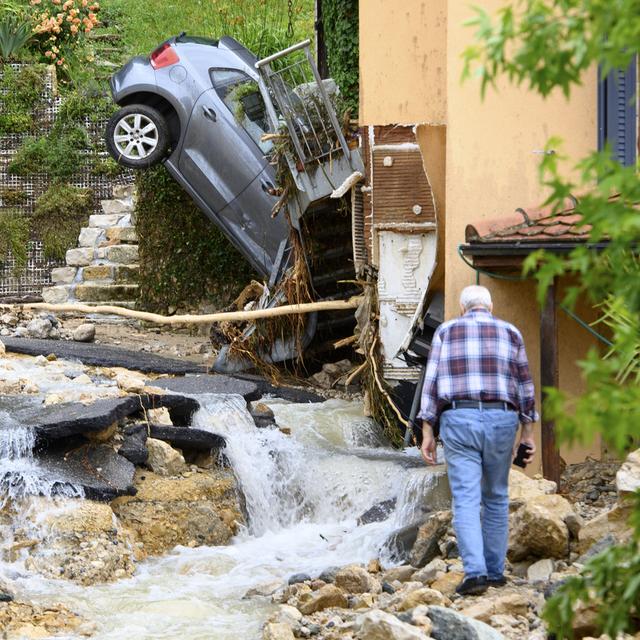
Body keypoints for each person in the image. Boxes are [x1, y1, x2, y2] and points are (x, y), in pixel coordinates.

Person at [417, 285, 537, 596]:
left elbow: (431, 383)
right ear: (490, 306)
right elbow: (525, 385)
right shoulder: (510, 332)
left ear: (462, 308)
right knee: (496, 496)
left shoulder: (446, 331)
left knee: (466, 499)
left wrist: (427, 430)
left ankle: (475, 573)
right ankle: (496, 572)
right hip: (502, 419)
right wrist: (528, 433)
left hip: (459, 418)